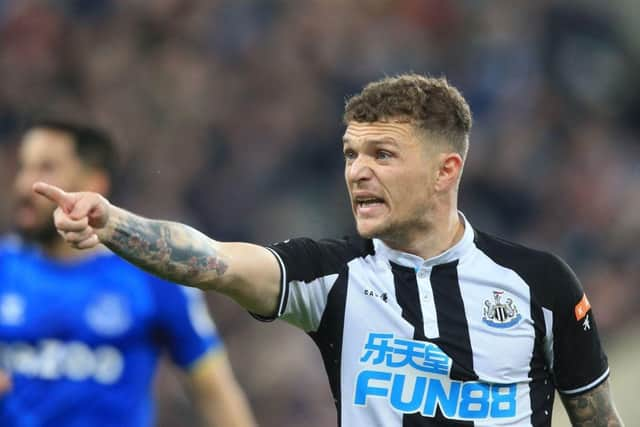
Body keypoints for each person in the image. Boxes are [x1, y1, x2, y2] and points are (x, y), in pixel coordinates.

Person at [34, 75, 624, 426]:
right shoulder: (332, 276)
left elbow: (597, 420)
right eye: (350, 154)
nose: (358, 173)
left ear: (447, 170)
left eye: (382, 155)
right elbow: (211, 259)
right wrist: (114, 223)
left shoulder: (541, 284)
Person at [0, 119, 257, 427]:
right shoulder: (5, 267)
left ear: (93, 184)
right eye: (24, 168)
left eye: (46, 169)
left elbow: (213, 391)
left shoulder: (151, 276)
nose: (25, 186)